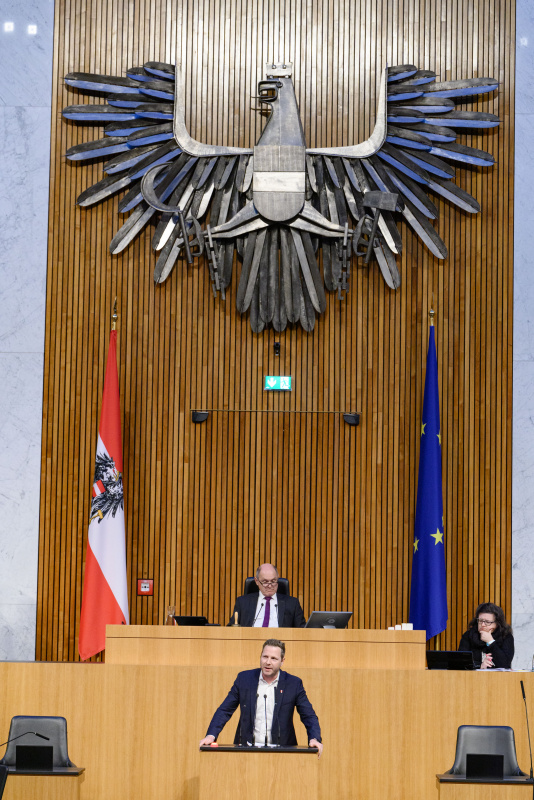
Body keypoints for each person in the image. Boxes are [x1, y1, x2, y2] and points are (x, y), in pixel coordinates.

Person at [199, 638, 323, 757]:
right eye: (265, 657)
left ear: (282, 661)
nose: (268, 662)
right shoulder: (244, 679)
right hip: (247, 750)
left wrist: (314, 738)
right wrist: (211, 735)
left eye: (274, 658)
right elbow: (225, 710)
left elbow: (308, 715)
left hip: (283, 752)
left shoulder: (293, 684)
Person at [228, 563, 306, 627]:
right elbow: (231, 628)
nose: (269, 585)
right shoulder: (243, 602)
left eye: (273, 581)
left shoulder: (292, 604)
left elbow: (302, 631)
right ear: (257, 581)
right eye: (265, 582)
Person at [458, 602, 514, 669]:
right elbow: (461, 663)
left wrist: (490, 641)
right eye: (480, 621)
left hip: (499, 678)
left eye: (487, 622)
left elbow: (505, 664)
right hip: (472, 677)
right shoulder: (468, 635)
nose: (483, 625)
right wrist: (480, 666)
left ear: (497, 623)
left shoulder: (506, 636)